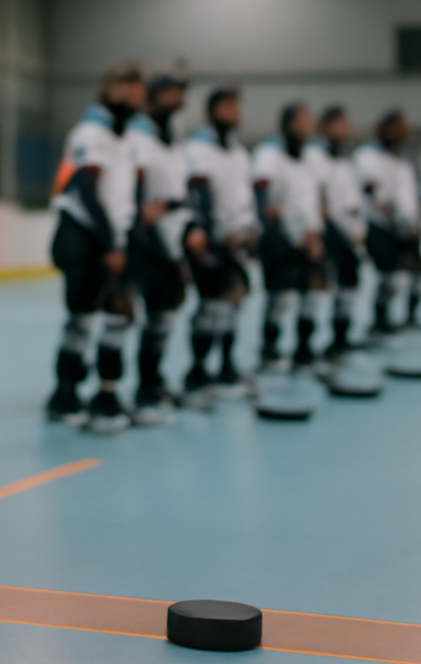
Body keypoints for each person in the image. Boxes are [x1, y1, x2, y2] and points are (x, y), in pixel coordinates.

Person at [45, 63, 146, 433]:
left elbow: (127, 195)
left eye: (139, 86)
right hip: (85, 237)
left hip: (116, 238)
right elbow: (84, 191)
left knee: (119, 317)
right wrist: (109, 243)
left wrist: (125, 239)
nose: (137, 92)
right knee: (82, 320)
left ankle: (108, 394)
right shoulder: (90, 133)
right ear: (109, 89)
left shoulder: (128, 139)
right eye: (128, 85)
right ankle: (64, 394)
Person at [126, 74, 197, 424]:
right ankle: (132, 391)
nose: (176, 100)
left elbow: (182, 195)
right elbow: (135, 190)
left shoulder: (177, 143)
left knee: (164, 316)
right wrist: (144, 214)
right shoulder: (138, 138)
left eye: (179, 94)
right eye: (168, 94)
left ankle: (152, 383)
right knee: (126, 316)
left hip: (172, 238)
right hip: (143, 238)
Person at [184, 88, 259, 405]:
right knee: (210, 308)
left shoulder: (240, 154)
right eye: (228, 107)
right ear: (211, 112)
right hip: (211, 241)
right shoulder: (198, 151)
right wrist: (206, 232)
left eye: (237, 107)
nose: (234, 113)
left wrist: (251, 228)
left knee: (233, 305)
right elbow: (197, 197)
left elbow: (245, 198)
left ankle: (226, 367)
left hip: (237, 241)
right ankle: (198, 373)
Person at [252, 103, 325, 369]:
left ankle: (304, 350)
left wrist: (314, 234)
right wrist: (292, 234)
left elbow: (314, 200)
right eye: (303, 119)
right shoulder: (269, 155)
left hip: (309, 239)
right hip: (280, 239)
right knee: (280, 297)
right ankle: (269, 350)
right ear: (288, 123)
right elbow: (267, 204)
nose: (308, 124)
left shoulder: (312, 158)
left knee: (312, 295)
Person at [355, 110, 421, 335]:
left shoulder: (403, 162)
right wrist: (390, 213)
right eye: (401, 129)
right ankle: (380, 320)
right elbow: (372, 193)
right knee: (389, 276)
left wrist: (413, 221)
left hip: (407, 228)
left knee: (418, 272)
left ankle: (411, 316)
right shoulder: (367, 156)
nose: (405, 134)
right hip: (380, 226)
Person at [304, 105, 367, 359]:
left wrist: (357, 229)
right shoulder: (314, 158)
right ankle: (306, 346)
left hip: (349, 233)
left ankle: (340, 339)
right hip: (327, 231)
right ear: (325, 127)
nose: (344, 130)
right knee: (319, 288)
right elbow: (315, 195)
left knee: (349, 285)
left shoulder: (347, 161)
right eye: (339, 125)